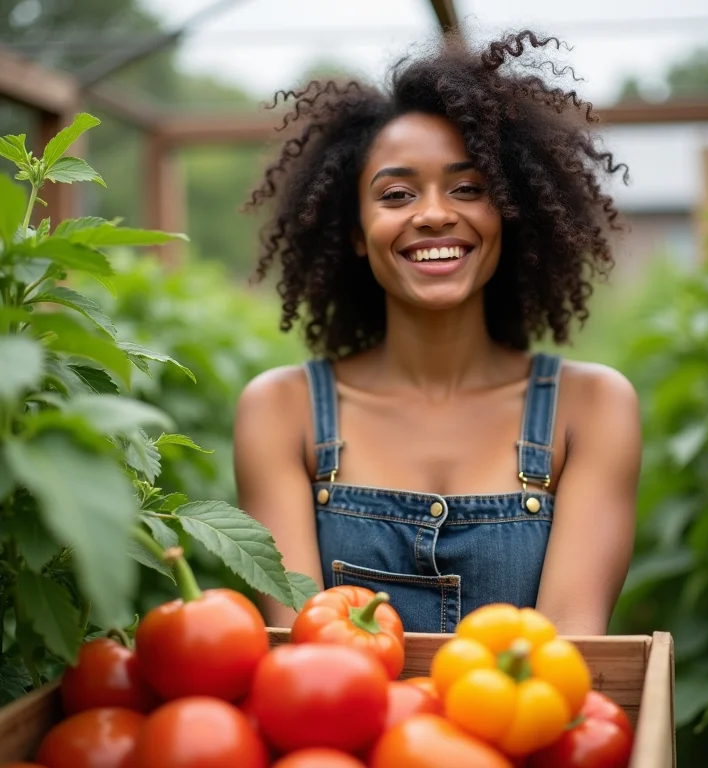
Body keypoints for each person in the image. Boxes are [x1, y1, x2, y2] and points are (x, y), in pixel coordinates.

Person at [234, 31, 642, 635]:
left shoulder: (592, 409)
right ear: (354, 231)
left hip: (517, 726)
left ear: (508, 210)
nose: (433, 213)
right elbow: (306, 653)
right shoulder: (280, 411)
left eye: (469, 188)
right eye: (396, 194)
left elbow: (565, 655)